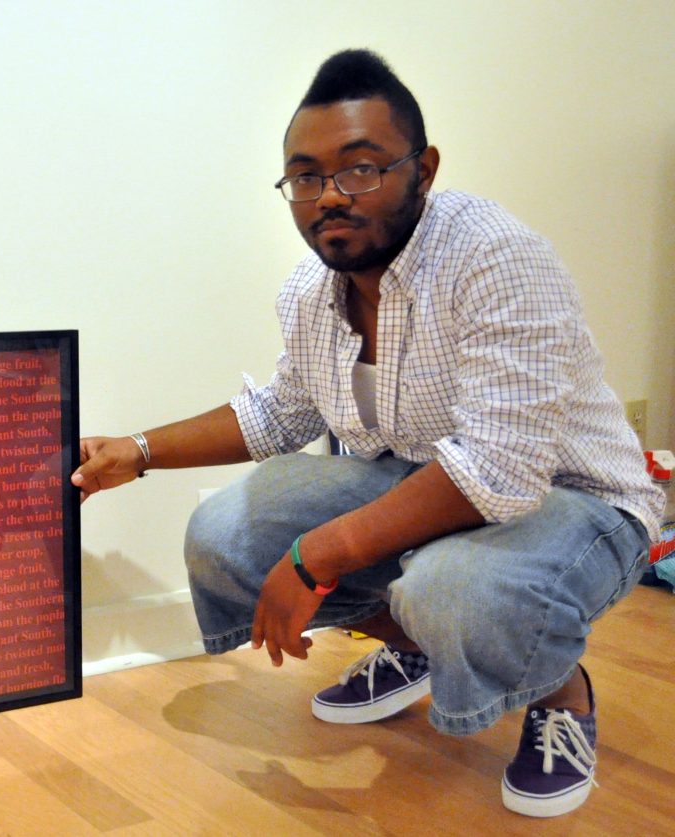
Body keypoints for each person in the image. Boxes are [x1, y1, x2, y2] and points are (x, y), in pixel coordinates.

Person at [72, 49, 663, 818]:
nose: (330, 197)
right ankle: (419, 648)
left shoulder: (496, 256)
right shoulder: (313, 292)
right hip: (432, 486)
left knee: (453, 587)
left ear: (425, 167)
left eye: (360, 169)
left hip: (576, 504)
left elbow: (502, 470)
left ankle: (562, 692)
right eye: (307, 177)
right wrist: (138, 451)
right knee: (225, 532)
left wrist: (321, 551)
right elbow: (280, 412)